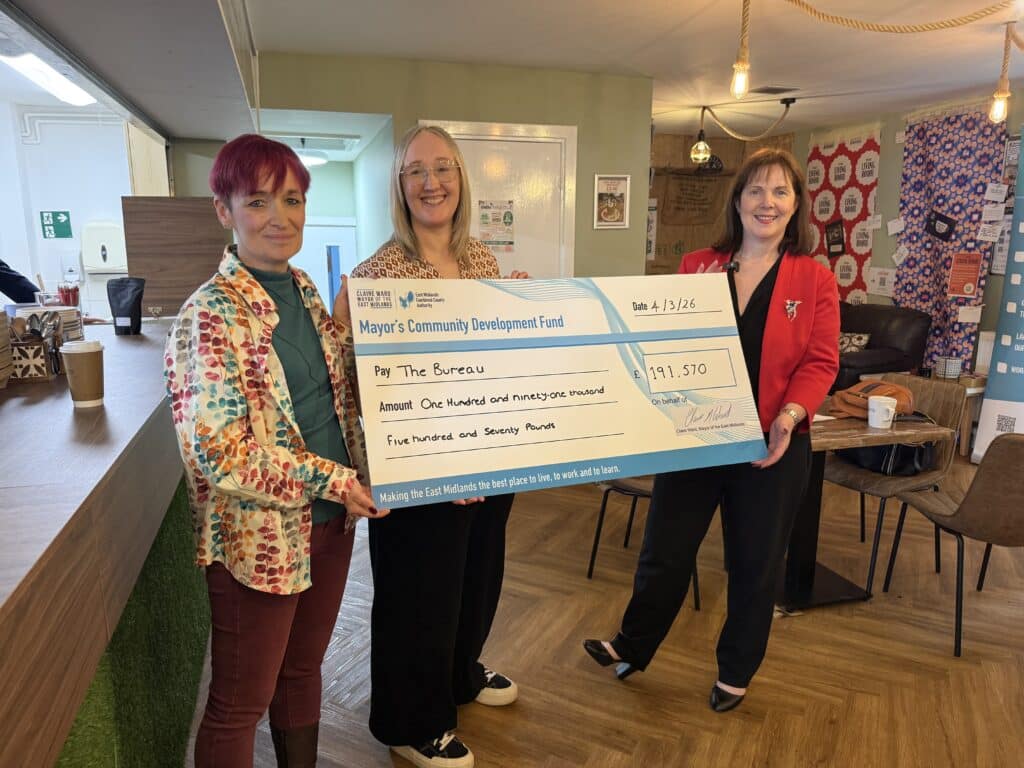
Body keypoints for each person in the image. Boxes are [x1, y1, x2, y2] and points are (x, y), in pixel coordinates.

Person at [584, 148, 839, 713]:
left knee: (755, 562)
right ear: (738, 199)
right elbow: (666, 343)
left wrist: (791, 416)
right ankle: (633, 645)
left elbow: (821, 362)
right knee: (665, 553)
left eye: (779, 192)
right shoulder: (698, 264)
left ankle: (736, 672)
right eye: (754, 190)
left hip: (771, 449)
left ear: (796, 205)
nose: (765, 202)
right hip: (696, 439)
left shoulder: (814, 279)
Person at [164, 133, 387, 767]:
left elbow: (327, 398)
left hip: (331, 525)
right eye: (257, 201)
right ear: (223, 211)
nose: (279, 218)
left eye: (291, 199)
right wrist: (334, 479)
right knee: (240, 703)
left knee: (302, 673)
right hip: (258, 539)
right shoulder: (207, 316)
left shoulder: (308, 293)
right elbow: (220, 454)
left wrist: (350, 335)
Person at [351, 125, 525, 768]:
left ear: (461, 179)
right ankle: (410, 721)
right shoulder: (377, 275)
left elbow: (495, 358)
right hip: (419, 470)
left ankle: (458, 676)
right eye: (417, 171)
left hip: (489, 456)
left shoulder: (484, 262)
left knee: (476, 578)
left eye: (443, 168)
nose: (431, 182)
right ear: (400, 186)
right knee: (417, 594)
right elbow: (368, 391)